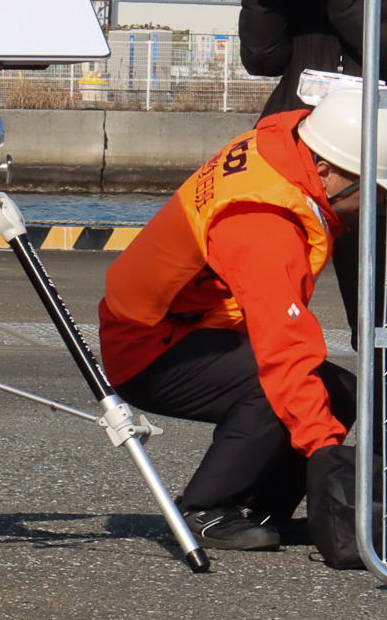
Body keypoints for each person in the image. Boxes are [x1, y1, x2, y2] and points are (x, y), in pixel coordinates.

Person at [98, 88, 372, 552]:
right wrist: (326, 455)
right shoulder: (262, 221)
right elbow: (283, 350)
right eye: (375, 188)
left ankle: (261, 510)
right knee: (276, 385)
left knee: (339, 391)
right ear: (326, 169)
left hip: (186, 328)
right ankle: (203, 509)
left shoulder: (288, 148)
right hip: (148, 345)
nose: (377, 202)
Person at [241, 0, 377, 339]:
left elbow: (378, 43)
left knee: (376, 319)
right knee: (269, 313)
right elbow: (261, 57)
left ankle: (377, 410)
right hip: (293, 165)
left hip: (368, 176)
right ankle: (281, 408)